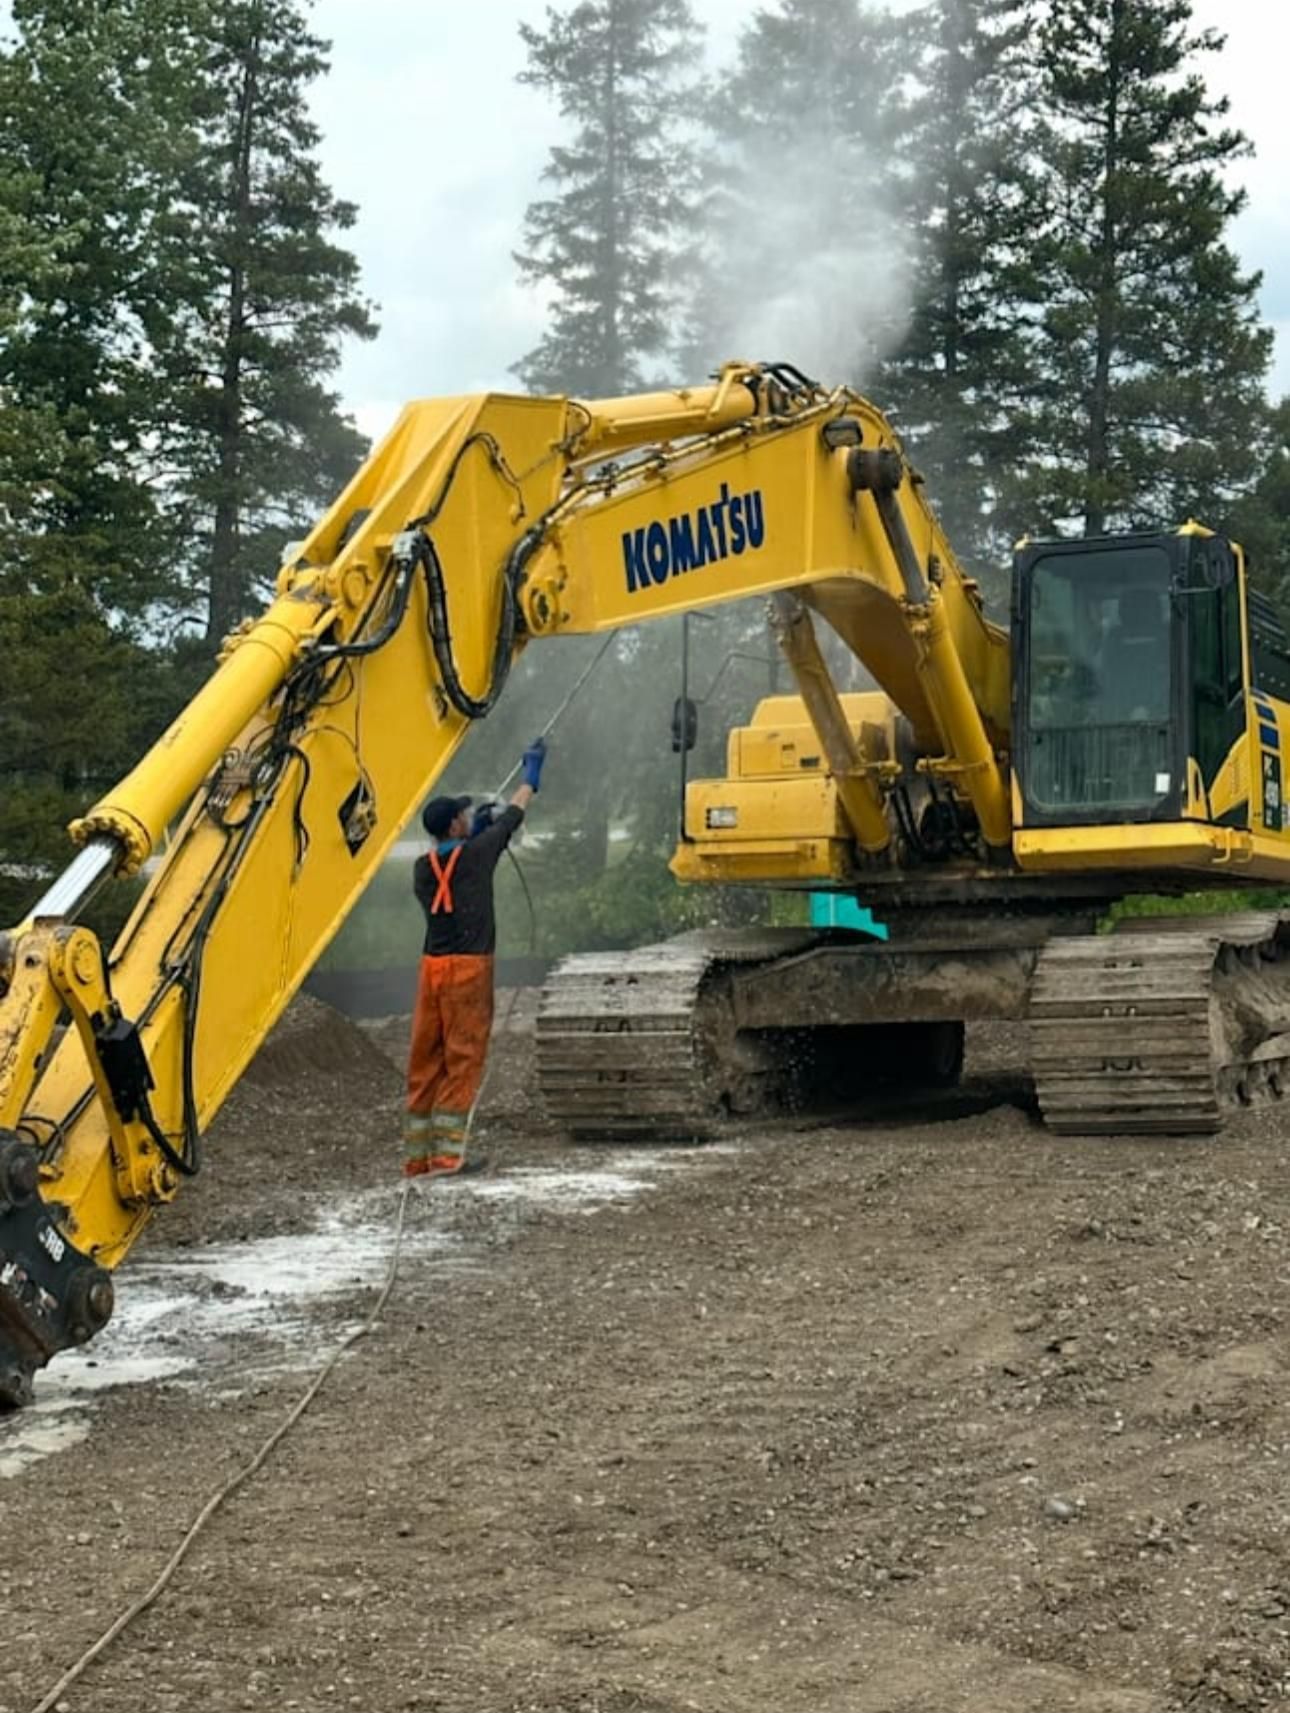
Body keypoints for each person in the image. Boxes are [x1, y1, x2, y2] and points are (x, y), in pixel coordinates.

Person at [402, 737, 547, 1178]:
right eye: (463, 815)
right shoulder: (478, 855)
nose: (468, 816)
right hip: (468, 970)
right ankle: (447, 1158)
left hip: (432, 970)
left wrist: (477, 832)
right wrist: (531, 775)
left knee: (426, 1061)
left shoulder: (422, 870)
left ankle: (418, 1159)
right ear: (454, 825)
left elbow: (456, 862)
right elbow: (516, 814)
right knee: (462, 1058)